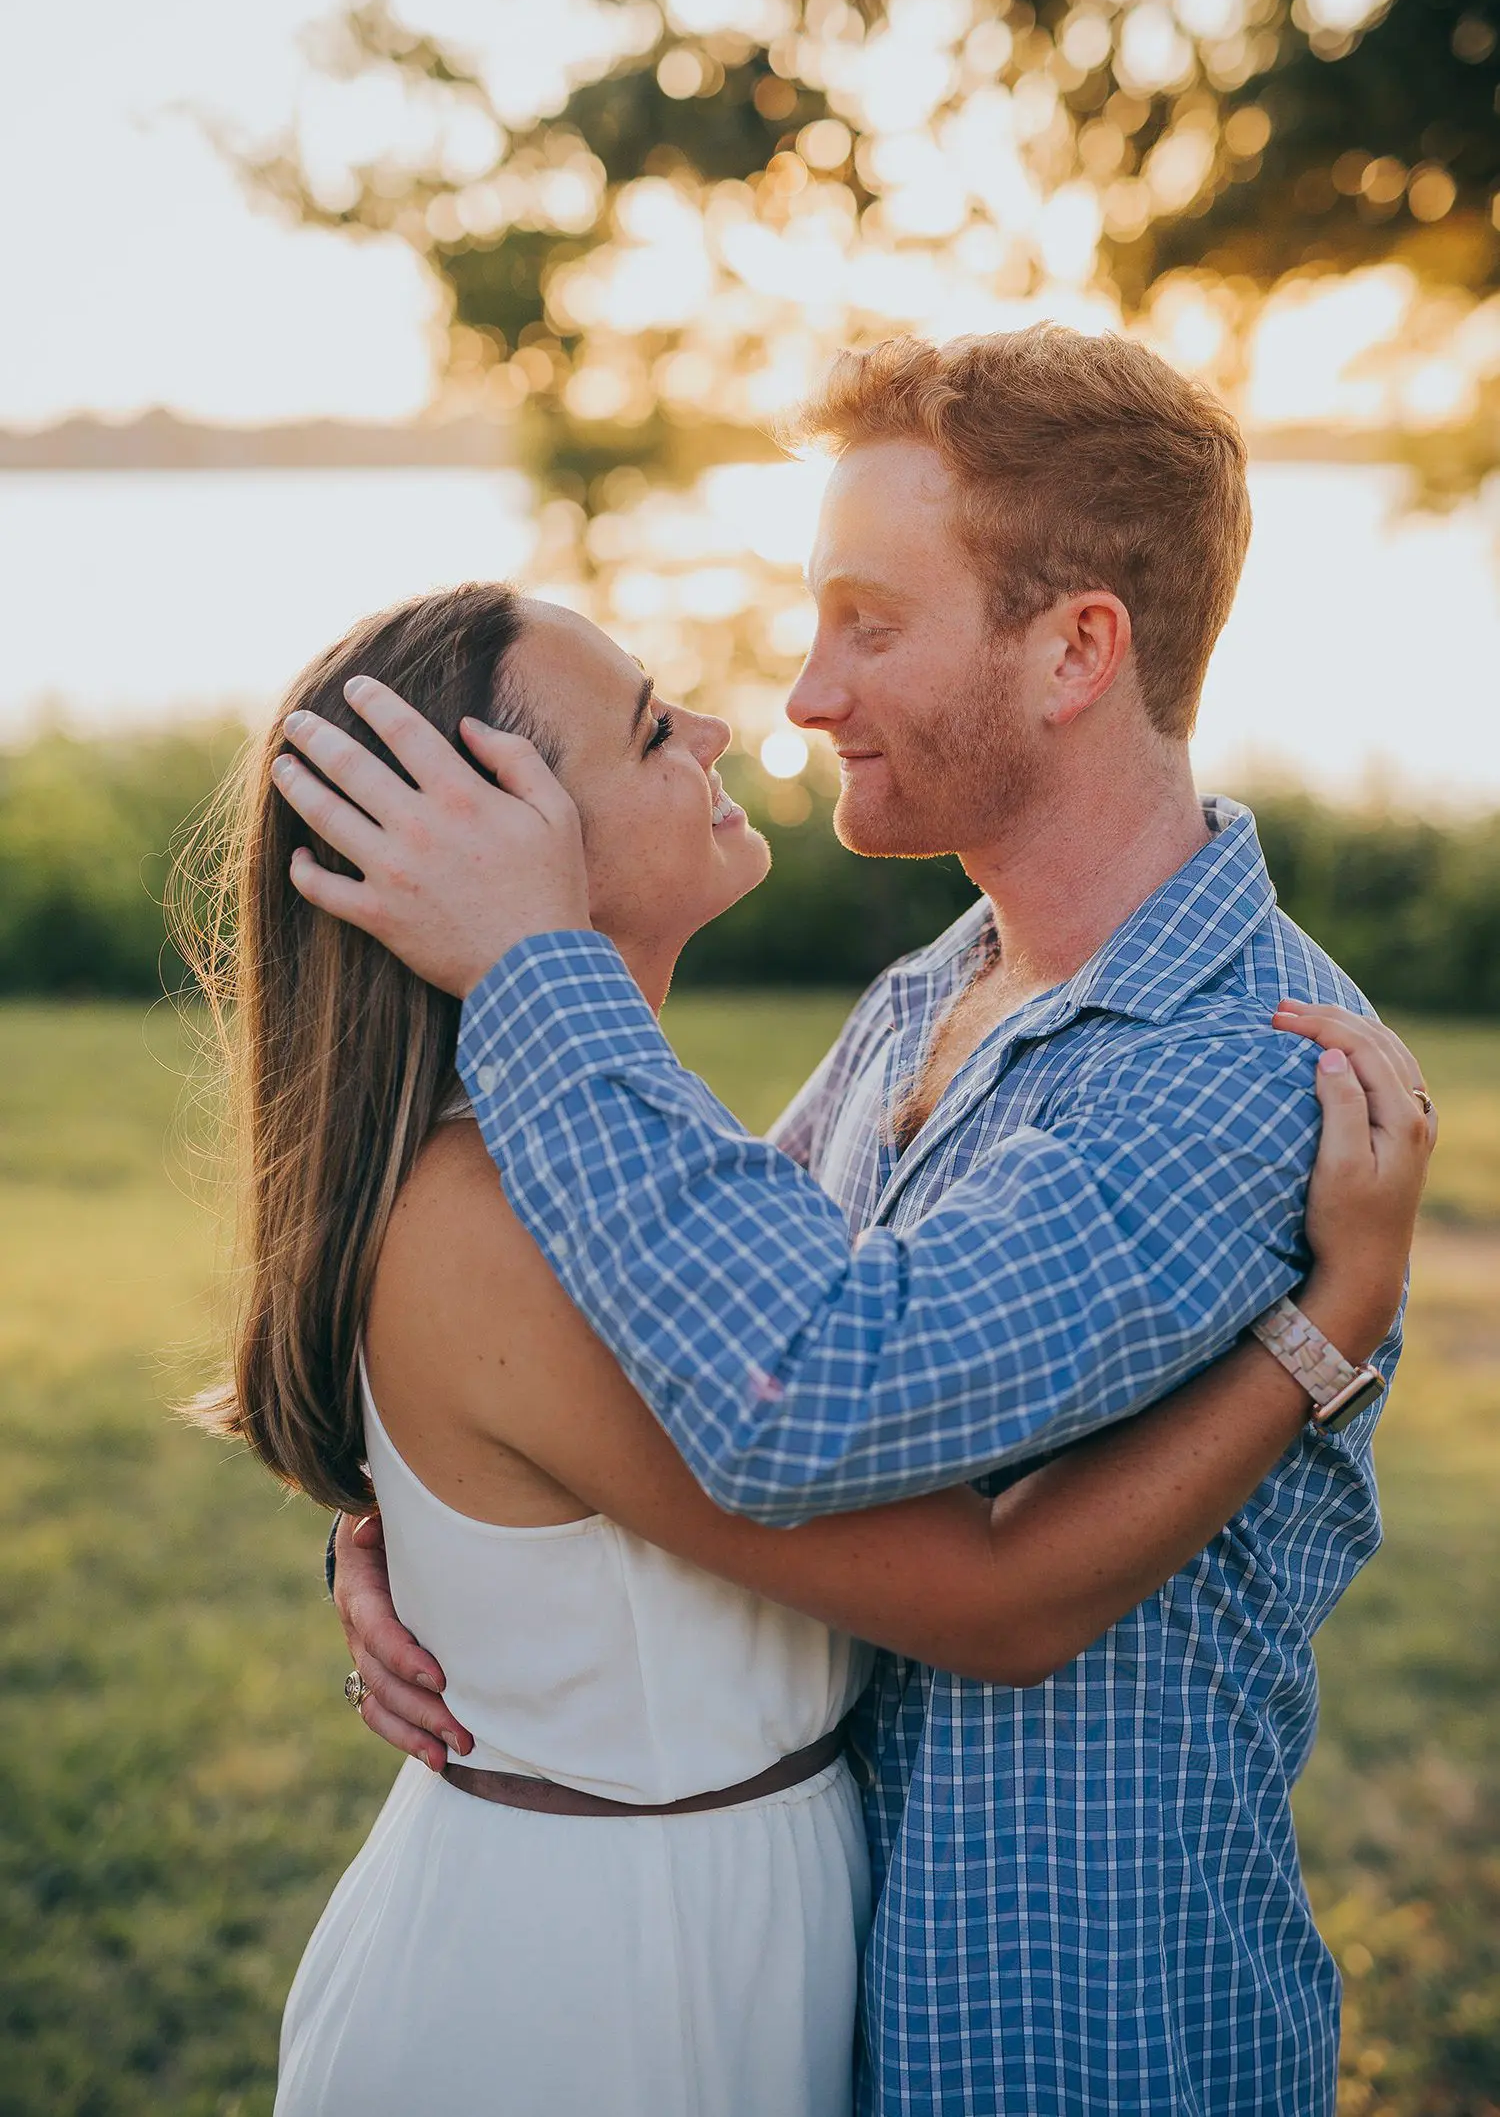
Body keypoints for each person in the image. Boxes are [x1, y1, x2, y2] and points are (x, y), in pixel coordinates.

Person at [277, 330, 1438, 2115]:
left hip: (1081, 2047)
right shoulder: (927, 997)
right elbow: (665, 1308)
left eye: (869, 626)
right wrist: (443, 1546)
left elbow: (804, 1389)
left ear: (1078, 651)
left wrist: (528, 958)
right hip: (766, 1998)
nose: (803, 697)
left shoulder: (1242, 1069)